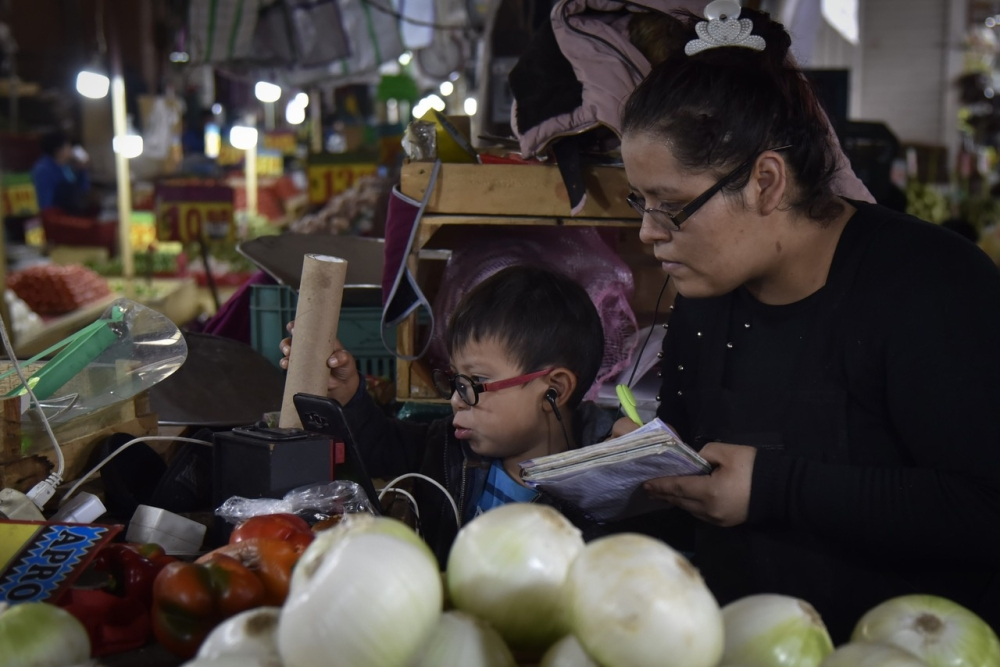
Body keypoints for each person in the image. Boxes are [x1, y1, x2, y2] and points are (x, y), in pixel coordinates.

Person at [614, 2, 1000, 641]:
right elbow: (694, 478)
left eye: (672, 206)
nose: (649, 233)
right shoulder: (707, 297)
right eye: (641, 201)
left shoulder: (929, 287)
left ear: (766, 181)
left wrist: (774, 487)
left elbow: (984, 506)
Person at [279, 265, 613, 565]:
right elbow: (377, 447)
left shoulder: (606, 485)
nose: (456, 400)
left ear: (553, 390)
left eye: (475, 382)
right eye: (455, 381)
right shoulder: (445, 448)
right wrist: (347, 396)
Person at [31, 129, 91, 214]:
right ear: (59, 150)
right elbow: (45, 203)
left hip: (70, 212)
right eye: (68, 146)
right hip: (57, 217)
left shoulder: (66, 166)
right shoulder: (43, 170)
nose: (71, 149)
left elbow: (83, 190)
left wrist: (82, 170)